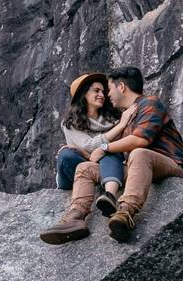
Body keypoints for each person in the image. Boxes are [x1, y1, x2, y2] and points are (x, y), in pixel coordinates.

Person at [40, 66, 183, 244]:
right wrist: (82, 151)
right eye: (100, 91)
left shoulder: (150, 104)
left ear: (121, 87)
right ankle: (75, 217)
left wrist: (105, 147)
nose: (107, 95)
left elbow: (140, 141)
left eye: (109, 89)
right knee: (85, 168)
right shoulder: (125, 117)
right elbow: (108, 152)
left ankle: (125, 213)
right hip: (139, 168)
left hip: (171, 165)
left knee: (139, 153)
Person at [54, 73, 130, 218]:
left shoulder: (114, 118)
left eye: (103, 91)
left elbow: (113, 147)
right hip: (76, 170)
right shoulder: (70, 122)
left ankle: (109, 195)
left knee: (110, 151)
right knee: (66, 155)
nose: (101, 94)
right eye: (96, 91)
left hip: (104, 166)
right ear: (83, 95)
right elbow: (89, 145)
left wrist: (94, 152)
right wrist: (119, 128)